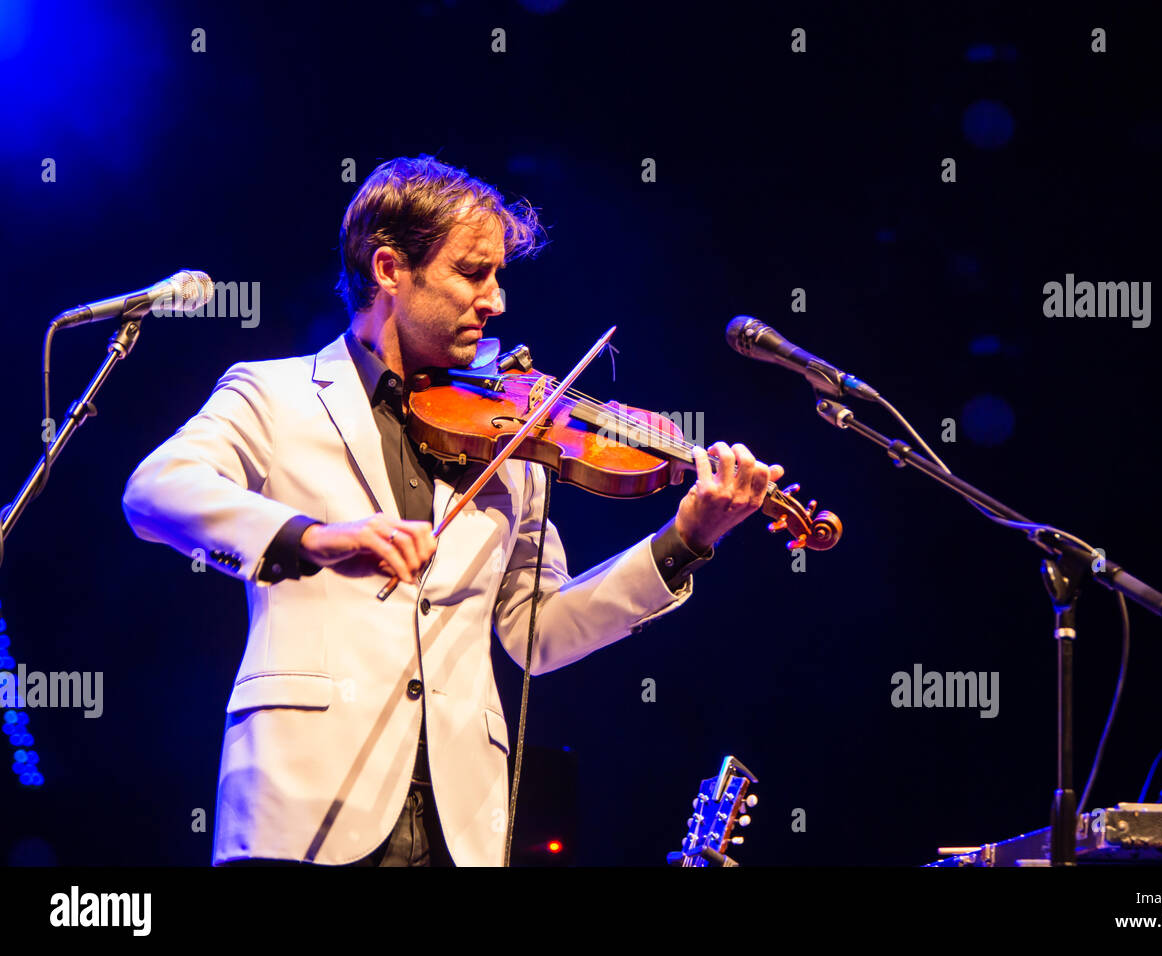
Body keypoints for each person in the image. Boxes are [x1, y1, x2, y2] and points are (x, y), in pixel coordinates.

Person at [121, 154, 782, 866]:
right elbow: (156, 489)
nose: (496, 300)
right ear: (388, 270)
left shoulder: (514, 443)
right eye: (473, 272)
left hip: (459, 822)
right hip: (303, 804)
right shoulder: (273, 395)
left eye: (498, 275)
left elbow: (542, 634)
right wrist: (312, 536)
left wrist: (683, 538)